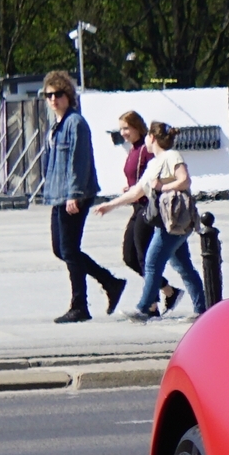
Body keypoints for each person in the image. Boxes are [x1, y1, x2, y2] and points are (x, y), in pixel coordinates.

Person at [95, 120, 204, 322]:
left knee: (152, 263)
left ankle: (144, 308)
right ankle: (202, 309)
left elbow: (185, 180)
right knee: (183, 266)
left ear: (152, 138)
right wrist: (110, 206)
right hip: (167, 220)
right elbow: (137, 192)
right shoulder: (154, 163)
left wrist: (162, 187)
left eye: (147, 135)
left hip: (174, 219)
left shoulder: (171, 156)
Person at [39, 70, 121, 322]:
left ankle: (80, 306)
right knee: (61, 249)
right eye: (49, 95)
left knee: (70, 249)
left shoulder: (76, 123)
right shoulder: (57, 125)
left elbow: (79, 161)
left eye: (58, 94)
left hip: (74, 194)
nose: (53, 99)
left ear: (68, 95)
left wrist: (74, 194)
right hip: (58, 194)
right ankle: (110, 282)